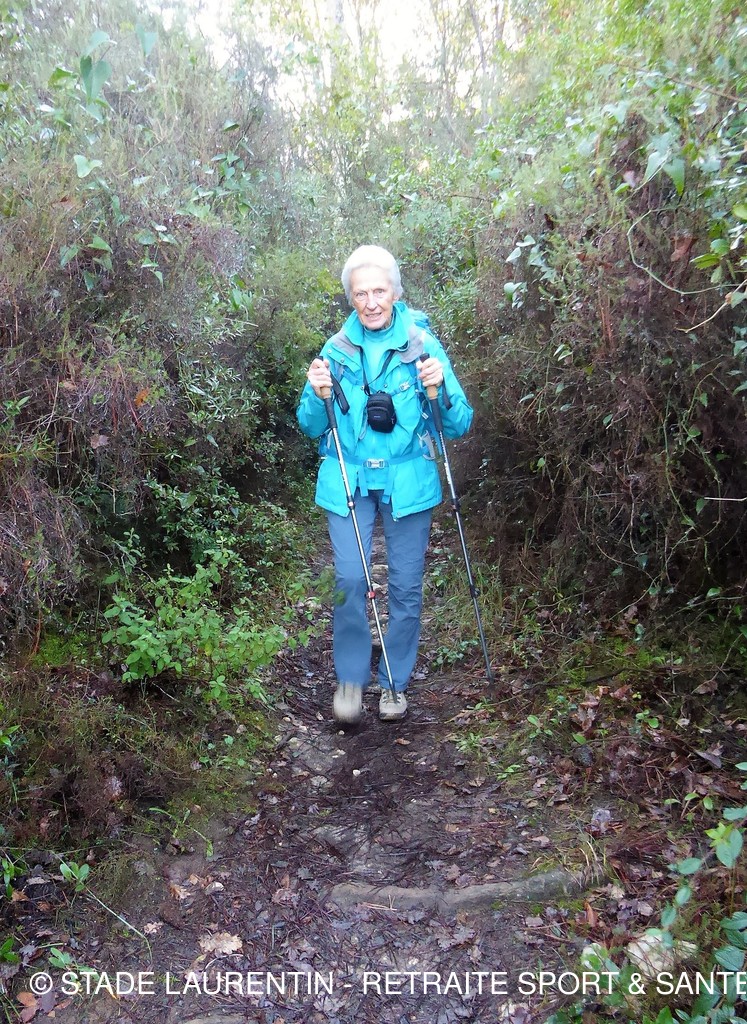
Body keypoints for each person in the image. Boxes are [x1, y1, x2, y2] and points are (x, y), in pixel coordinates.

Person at [296, 245, 473, 725]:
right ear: (350, 298)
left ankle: (394, 681)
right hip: (348, 476)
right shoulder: (335, 350)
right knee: (350, 580)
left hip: (407, 478)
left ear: (395, 291)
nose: (371, 302)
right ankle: (351, 677)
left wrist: (440, 385)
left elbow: (457, 423)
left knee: (405, 586)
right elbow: (310, 424)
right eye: (361, 294)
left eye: (379, 291)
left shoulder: (423, 346)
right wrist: (315, 391)